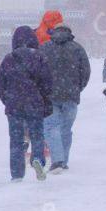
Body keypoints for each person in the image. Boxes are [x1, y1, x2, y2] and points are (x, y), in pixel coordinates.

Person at [0, 26, 53, 182]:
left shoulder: (9, 59)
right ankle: (37, 159)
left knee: (16, 139)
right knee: (37, 136)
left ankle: (16, 174)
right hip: (35, 105)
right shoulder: (40, 58)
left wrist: (7, 100)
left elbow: (1, 85)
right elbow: (47, 84)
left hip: (14, 105)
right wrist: (44, 100)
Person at [40, 24, 90, 173]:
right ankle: (64, 161)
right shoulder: (77, 48)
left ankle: (58, 161)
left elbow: (38, 70)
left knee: (51, 127)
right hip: (71, 96)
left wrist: (43, 89)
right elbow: (86, 71)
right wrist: (77, 88)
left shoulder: (44, 48)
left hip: (50, 95)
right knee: (66, 129)